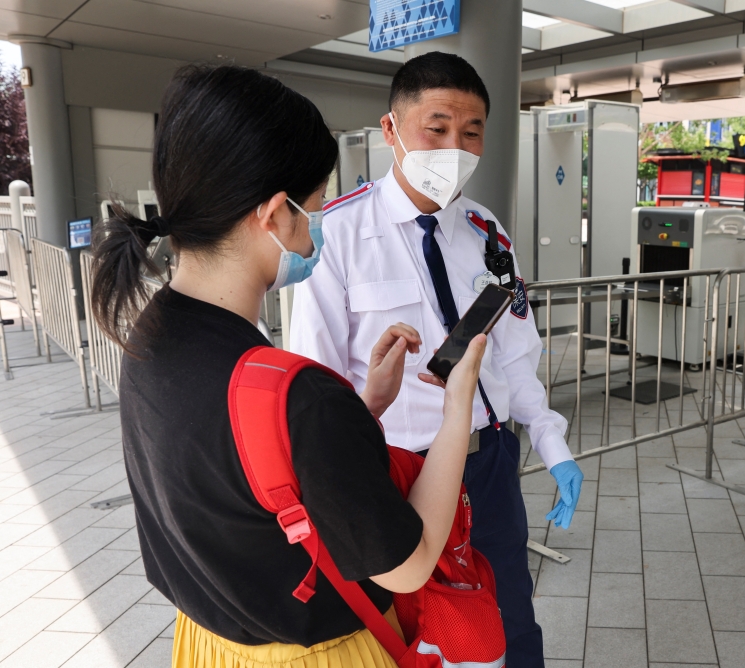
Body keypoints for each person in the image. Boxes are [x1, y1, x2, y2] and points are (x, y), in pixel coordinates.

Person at [89, 64, 488, 668]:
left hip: (206, 644)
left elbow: (253, 478)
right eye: (315, 207)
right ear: (274, 214)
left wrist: (363, 409)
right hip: (317, 654)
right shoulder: (300, 396)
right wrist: (458, 406)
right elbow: (409, 566)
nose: (318, 228)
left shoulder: (150, 337)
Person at [290, 51, 583, 667]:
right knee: (416, 634)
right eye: (438, 126)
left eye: (471, 131)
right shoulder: (335, 235)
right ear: (391, 129)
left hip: (489, 465)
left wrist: (551, 443)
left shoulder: (486, 231)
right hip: (400, 475)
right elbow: (316, 384)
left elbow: (515, 355)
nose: (456, 145)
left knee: (508, 621)